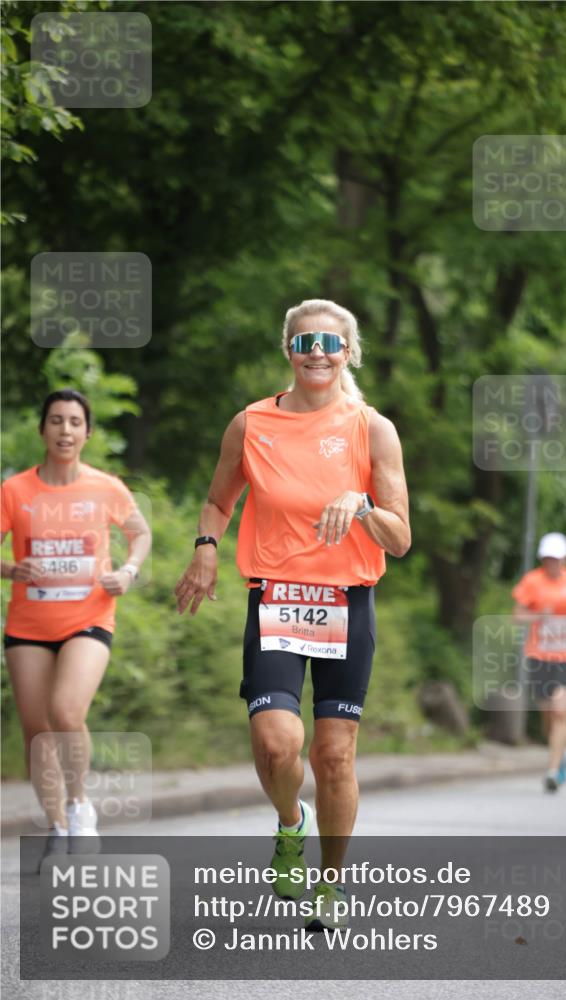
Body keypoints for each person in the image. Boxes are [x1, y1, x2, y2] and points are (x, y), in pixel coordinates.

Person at [175, 298, 410, 929]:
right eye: (306, 341)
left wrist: (361, 504)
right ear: (288, 350)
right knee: (278, 744)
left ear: (348, 354)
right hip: (276, 597)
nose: (317, 352)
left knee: (334, 756)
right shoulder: (251, 424)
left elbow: (400, 536)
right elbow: (218, 502)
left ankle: (331, 888)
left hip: (345, 602)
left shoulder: (372, 428)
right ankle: (289, 822)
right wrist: (204, 549)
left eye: (331, 344)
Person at [1, 389, 151, 863]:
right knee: (36, 729)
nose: (65, 430)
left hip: (89, 617)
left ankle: (80, 804)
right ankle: (58, 828)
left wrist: (127, 571)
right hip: (29, 622)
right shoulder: (16, 491)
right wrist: (10, 569)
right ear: (42, 430)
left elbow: (140, 532)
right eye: (56, 421)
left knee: (65, 712)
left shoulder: (105, 487)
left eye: (74, 422)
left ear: (87, 432)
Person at [512, 532, 566, 793]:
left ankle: (552, 771)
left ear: (565, 559)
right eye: (548, 558)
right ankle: (561, 752)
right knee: (548, 718)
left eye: (557, 559)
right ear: (542, 559)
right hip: (540, 655)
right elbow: (517, 615)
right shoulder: (532, 581)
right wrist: (538, 614)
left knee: (561, 711)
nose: (552, 563)